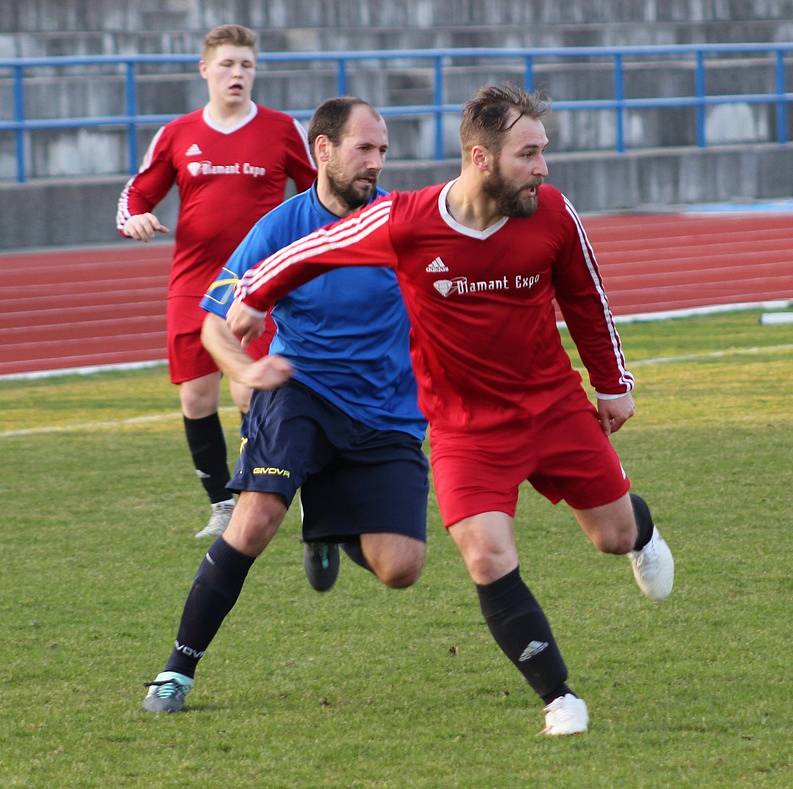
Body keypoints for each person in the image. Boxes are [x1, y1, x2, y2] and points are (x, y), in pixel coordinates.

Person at [227, 85, 675, 736]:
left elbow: (585, 296)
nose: (543, 168)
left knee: (610, 535)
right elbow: (315, 248)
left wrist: (612, 383)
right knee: (486, 556)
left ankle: (641, 531)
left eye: (543, 152)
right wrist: (254, 295)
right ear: (481, 158)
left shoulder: (551, 212)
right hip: (464, 426)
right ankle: (559, 697)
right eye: (529, 154)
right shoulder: (409, 219)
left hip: (551, 406)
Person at [142, 97, 429, 713]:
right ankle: (176, 671)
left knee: (401, 568)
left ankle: (324, 530)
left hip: (385, 410)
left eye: (382, 151)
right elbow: (215, 323)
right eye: (364, 149)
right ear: (323, 151)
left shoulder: (401, 223)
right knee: (255, 518)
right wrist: (246, 369)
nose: (376, 163)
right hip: (299, 389)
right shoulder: (279, 229)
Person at [116, 24, 315, 539]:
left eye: (246, 65)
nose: (237, 74)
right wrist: (134, 217)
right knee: (196, 399)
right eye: (227, 64)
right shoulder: (178, 133)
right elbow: (138, 192)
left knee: (254, 392)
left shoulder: (280, 129)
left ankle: (273, 488)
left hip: (261, 282)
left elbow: (320, 193)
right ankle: (221, 505)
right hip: (194, 281)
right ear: (205, 69)